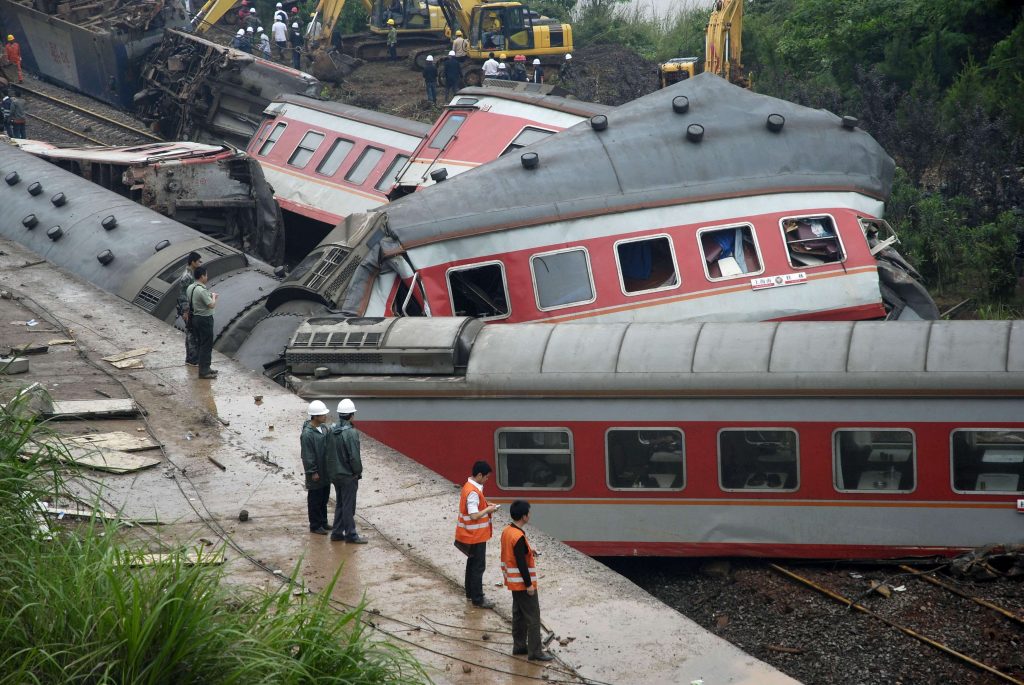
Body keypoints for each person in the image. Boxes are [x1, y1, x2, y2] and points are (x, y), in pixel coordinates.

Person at [500, 500, 554, 661]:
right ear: (524, 516)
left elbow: (516, 552)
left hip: (513, 582)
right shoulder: (519, 536)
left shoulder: (508, 531)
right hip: (522, 584)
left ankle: (519, 646)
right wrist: (529, 585)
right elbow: (521, 563)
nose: (530, 515)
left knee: (518, 615)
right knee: (533, 617)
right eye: (529, 513)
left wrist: (531, 551)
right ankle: (535, 652)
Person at [455, 461, 500, 609]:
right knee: (478, 567)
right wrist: (488, 510)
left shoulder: (469, 488)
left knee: (472, 564)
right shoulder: (473, 492)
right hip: (475, 535)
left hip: (469, 534)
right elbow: (474, 515)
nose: (487, 480)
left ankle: (470, 593)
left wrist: (486, 506)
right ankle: (478, 598)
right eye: (486, 477)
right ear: (479, 475)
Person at [326, 398, 368, 544]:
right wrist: (357, 472)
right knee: (349, 506)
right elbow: (354, 457)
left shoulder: (332, 430)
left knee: (340, 503)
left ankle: (337, 532)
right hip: (348, 475)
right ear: (351, 415)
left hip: (335, 474)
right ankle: (351, 534)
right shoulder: (351, 433)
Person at [301, 400, 331, 535]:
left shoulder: (324, 429)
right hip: (316, 472)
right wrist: (312, 471)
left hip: (325, 470)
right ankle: (315, 524)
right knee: (315, 499)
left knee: (324, 497)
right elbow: (307, 455)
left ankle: (323, 521)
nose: (325, 416)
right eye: (323, 414)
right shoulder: (307, 434)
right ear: (315, 416)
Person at [185, 265, 218, 379]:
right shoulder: (201, 290)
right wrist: (213, 296)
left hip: (195, 318)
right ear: (202, 276)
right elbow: (211, 305)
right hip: (205, 319)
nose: (207, 277)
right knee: (206, 345)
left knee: (200, 343)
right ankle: (204, 371)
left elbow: (194, 301)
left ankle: (205, 367)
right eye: (206, 275)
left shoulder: (190, 287)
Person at [176, 251, 202, 368]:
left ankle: (190, 358)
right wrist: (186, 311)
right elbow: (183, 295)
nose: (200, 263)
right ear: (193, 262)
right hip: (188, 309)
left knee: (191, 333)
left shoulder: (191, 274)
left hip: (191, 308)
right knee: (192, 334)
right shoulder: (187, 276)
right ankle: (192, 359)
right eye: (199, 261)